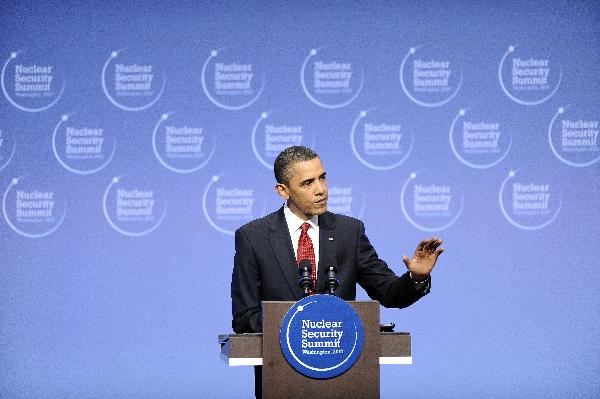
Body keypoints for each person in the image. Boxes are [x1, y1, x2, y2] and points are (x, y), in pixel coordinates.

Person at [230, 145, 444, 396]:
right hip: (283, 381)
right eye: (308, 183)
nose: (321, 189)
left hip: (346, 377)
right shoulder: (254, 237)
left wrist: (416, 277)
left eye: (322, 177)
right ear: (283, 190)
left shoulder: (348, 232)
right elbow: (244, 317)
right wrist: (304, 327)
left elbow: (389, 293)